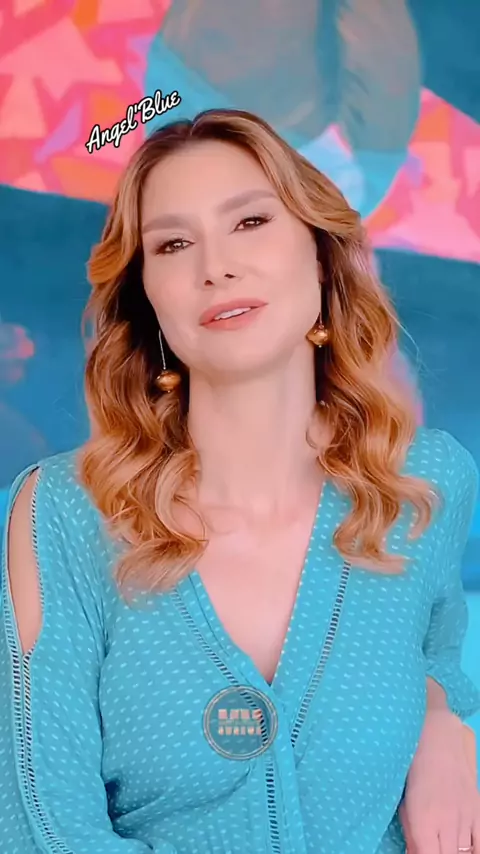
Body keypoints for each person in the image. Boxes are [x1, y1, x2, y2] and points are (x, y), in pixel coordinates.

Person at [0, 109, 479, 854]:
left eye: (250, 222)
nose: (215, 267)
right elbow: (43, 830)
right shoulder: (62, 512)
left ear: (320, 256)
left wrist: (442, 718)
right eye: (174, 243)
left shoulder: (424, 483)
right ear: (147, 295)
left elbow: (433, 642)